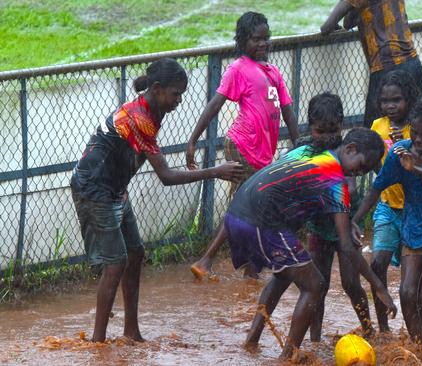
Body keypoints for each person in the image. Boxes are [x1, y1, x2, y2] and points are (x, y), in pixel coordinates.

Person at [70, 58, 243, 342]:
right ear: (159, 88)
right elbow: (165, 176)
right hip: (94, 188)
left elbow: (130, 156)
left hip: (112, 186)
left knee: (135, 254)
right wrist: (214, 171)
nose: (180, 100)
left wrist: (121, 184)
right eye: (176, 94)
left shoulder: (153, 110)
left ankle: (131, 331)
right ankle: (98, 342)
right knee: (115, 263)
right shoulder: (141, 117)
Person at [224, 127, 397, 359]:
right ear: (350, 148)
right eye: (362, 165)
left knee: (282, 275)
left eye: (366, 171)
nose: (360, 173)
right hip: (263, 222)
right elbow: (346, 246)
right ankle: (287, 358)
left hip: (236, 213)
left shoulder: (308, 150)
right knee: (315, 284)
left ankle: (251, 342)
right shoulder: (336, 182)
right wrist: (379, 286)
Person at [187, 11, 299, 280]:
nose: (263, 44)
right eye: (256, 39)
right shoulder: (238, 69)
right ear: (243, 41)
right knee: (245, 208)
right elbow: (215, 104)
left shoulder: (273, 72)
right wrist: (193, 140)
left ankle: (248, 267)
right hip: (243, 146)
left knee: (248, 209)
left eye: (266, 39)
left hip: (263, 153)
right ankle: (210, 260)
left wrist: (299, 146)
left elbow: (288, 112)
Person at [352, 99, 422, 349]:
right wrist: (354, 221)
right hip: (413, 231)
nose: (419, 140)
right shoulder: (399, 152)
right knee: (407, 293)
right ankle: (420, 350)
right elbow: (376, 189)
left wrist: (414, 169)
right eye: (416, 133)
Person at [295, 93, 373, 341]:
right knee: (319, 285)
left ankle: (368, 329)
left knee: (351, 283)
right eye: (321, 131)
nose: (328, 136)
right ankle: (315, 339)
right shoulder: (304, 151)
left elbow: (353, 186)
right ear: (310, 127)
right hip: (318, 226)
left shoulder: (347, 148)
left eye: (333, 130)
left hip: (346, 224)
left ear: (341, 124)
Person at [368, 69, 420, 333]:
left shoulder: (418, 127)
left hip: (414, 210)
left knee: (412, 277)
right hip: (387, 206)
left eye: (396, 100)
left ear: (408, 100)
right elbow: (375, 164)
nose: (390, 106)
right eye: (386, 101)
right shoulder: (378, 127)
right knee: (377, 263)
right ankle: (383, 327)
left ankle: (416, 327)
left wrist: (407, 148)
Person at [320, 0, 422, 128]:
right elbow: (349, 22)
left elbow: (326, 28)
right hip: (412, 63)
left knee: (373, 132)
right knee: (411, 126)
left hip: (386, 66)